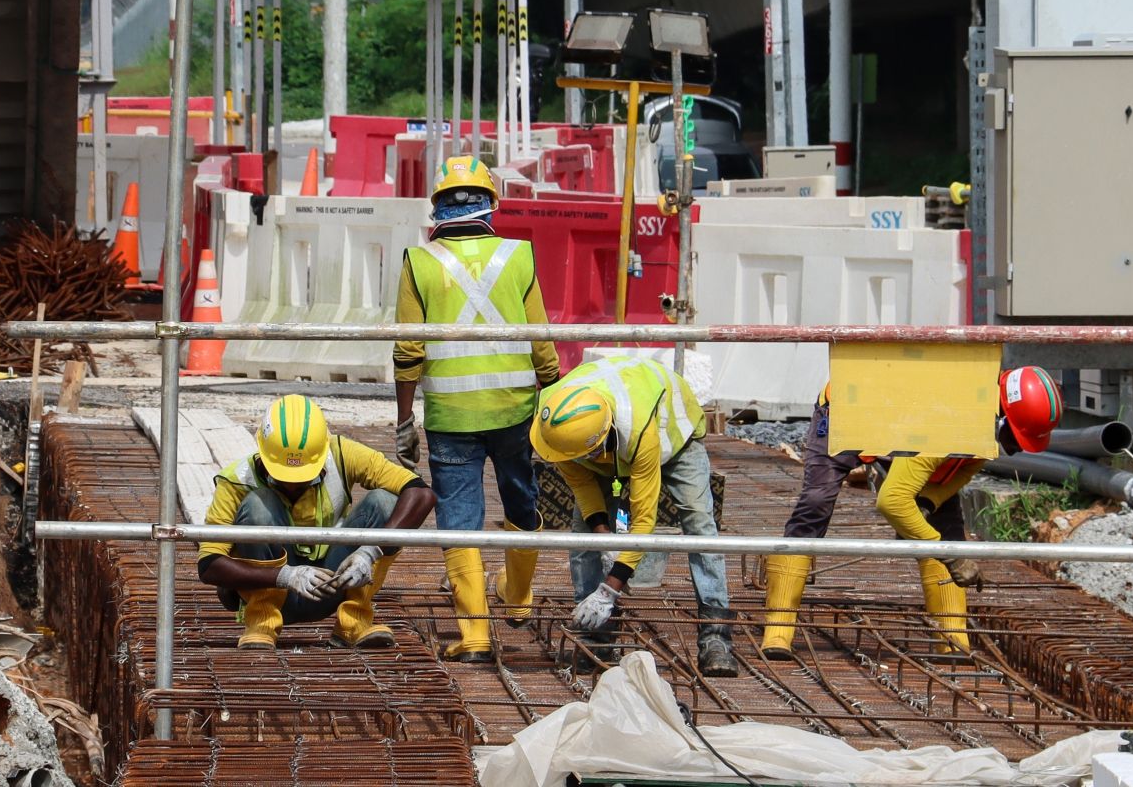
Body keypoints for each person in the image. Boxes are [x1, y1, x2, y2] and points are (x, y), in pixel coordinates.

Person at [760, 367, 1060, 658]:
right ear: (1000, 419)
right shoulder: (947, 423)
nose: (1013, 449)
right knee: (816, 504)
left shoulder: (982, 422)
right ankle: (778, 631)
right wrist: (951, 555)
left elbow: (964, 470)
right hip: (849, 411)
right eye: (1013, 440)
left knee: (946, 525)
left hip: (901, 424)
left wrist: (928, 503)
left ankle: (953, 641)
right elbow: (892, 502)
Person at [393, 156, 562, 662]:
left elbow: (407, 351)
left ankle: (475, 635)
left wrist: (404, 422)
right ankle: (519, 597)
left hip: (451, 417)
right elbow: (542, 343)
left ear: (437, 208)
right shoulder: (519, 256)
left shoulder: (419, 261)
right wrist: (553, 403)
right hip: (516, 411)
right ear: (491, 204)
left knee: (459, 520)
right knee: (522, 502)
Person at [531, 354, 738, 676]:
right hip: (602, 438)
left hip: (672, 436)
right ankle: (594, 635)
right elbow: (585, 489)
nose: (589, 460)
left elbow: (644, 521)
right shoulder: (558, 429)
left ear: (608, 433)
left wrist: (610, 588)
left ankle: (716, 636)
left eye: (593, 453)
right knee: (582, 535)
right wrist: (603, 537)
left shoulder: (639, 429)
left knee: (699, 524)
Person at [199, 395, 437, 651]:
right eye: (283, 477)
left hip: (335, 581)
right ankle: (262, 622)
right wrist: (284, 575)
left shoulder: (342, 453)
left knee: (385, 502)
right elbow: (209, 565)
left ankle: (353, 622)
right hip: (271, 587)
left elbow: (421, 494)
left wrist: (370, 552)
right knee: (259, 504)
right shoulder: (236, 480)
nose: (293, 483)